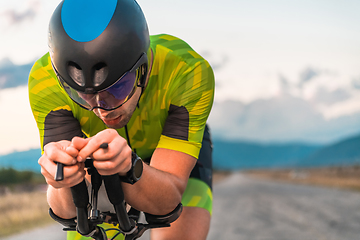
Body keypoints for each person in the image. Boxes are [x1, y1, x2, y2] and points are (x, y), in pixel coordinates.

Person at [28, 0, 215, 239]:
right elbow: (66, 210)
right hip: (102, 160)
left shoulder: (188, 71)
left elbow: (166, 202)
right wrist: (62, 178)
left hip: (168, 151)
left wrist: (128, 166)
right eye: (83, 94)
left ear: (143, 69)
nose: (100, 109)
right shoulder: (45, 82)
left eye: (116, 89)